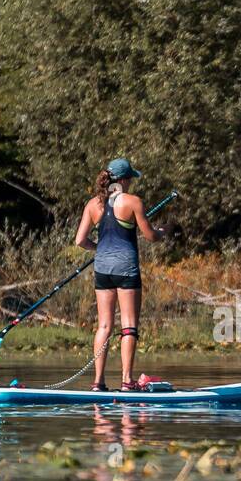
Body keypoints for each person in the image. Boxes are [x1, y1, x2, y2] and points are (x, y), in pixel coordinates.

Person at [75, 158, 161, 390]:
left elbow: (80, 240)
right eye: (130, 178)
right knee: (129, 326)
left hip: (102, 269)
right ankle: (126, 381)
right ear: (123, 180)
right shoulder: (133, 202)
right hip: (126, 269)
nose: (131, 182)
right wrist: (162, 232)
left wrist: (99, 248)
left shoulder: (93, 204)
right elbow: (150, 236)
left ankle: (98, 382)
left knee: (104, 325)